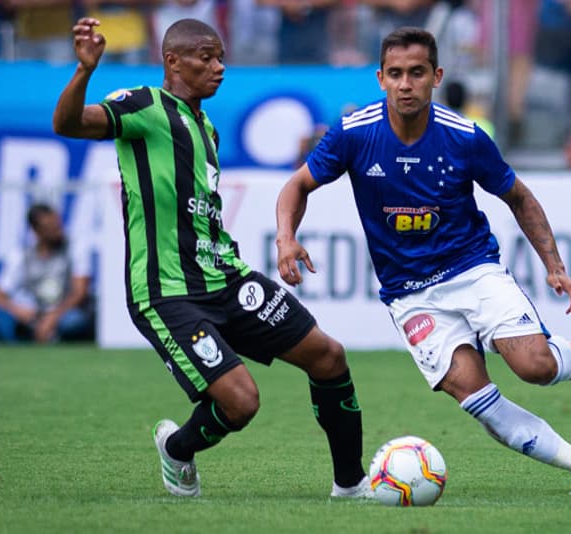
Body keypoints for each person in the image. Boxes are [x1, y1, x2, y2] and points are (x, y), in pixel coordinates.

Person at [276, 27, 571, 495]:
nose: (405, 84)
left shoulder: (464, 138)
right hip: (409, 294)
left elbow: (518, 197)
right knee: (477, 397)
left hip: (471, 269)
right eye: (395, 74)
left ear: (436, 76)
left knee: (534, 367)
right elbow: (296, 185)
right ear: (380, 78)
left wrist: (555, 266)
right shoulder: (354, 134)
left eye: (416, 73)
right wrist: (285, 238)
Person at [52, 18, 369, 499]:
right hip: (168, 292)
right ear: (172, 61)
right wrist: (84, 72)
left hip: (225, 278)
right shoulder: (143, 104)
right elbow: (68, 124)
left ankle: (351, 485)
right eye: (206, 57)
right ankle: (178, 449)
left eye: (221, 57)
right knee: (241, 403)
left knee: (328, 357)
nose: (219, 67)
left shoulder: (207, 128)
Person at [0, 203, 95, 344]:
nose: (57, 231)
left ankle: (44, 339)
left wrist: (53, 318)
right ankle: (23, 344)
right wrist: (20, 311)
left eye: (58, 225)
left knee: (74, 321)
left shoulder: (74, 249)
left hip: (63, 313)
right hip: (33, 314)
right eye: (50, 228)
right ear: (36, 230)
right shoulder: (22, 256)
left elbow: (80, 293)